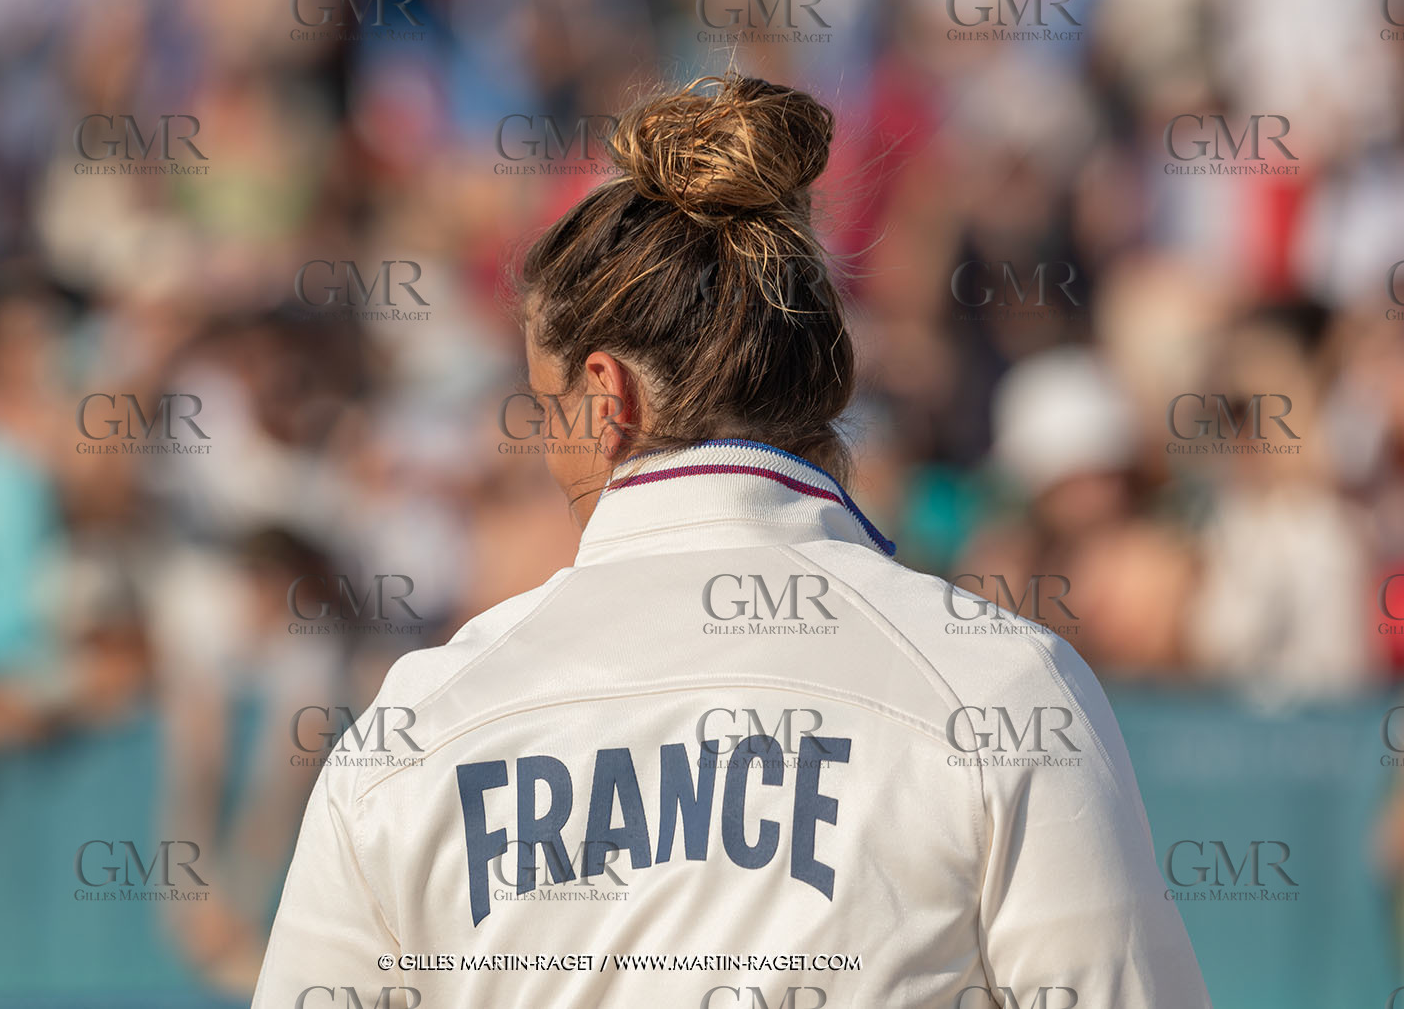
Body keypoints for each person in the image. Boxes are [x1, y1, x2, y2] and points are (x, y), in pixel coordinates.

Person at [250, 75, 1211, 1008]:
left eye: (546, 408)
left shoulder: (418, 721)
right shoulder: (1002, 687)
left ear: (606, 399)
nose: (545, 448)